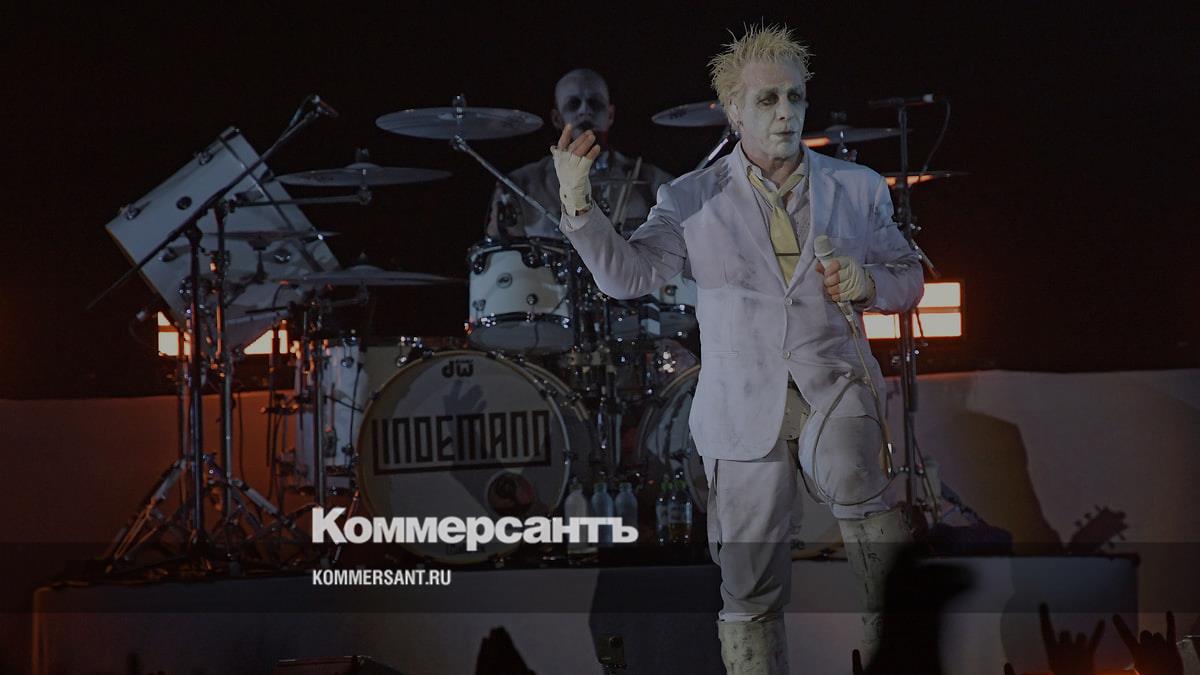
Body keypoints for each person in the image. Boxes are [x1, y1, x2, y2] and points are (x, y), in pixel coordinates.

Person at [549, 25, 924, 674]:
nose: (785, 113)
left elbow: (909, 277)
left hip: (834, 383)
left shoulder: (857, 186)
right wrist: (578, 205)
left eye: (794, 97)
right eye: (767, 100)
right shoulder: (691, 197)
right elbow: (628, 277)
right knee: (749, 588)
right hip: (741, 402)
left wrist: (869, 284)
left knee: (862, 493)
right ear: (734, 111)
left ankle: (902, 656)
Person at [485, 68, 673, 240]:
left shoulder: (654, 182)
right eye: (573, 104)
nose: (585, 111)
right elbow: (506, 257)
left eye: (595, 103)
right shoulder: (520, 183)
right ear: (557, 119)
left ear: (610, 115)